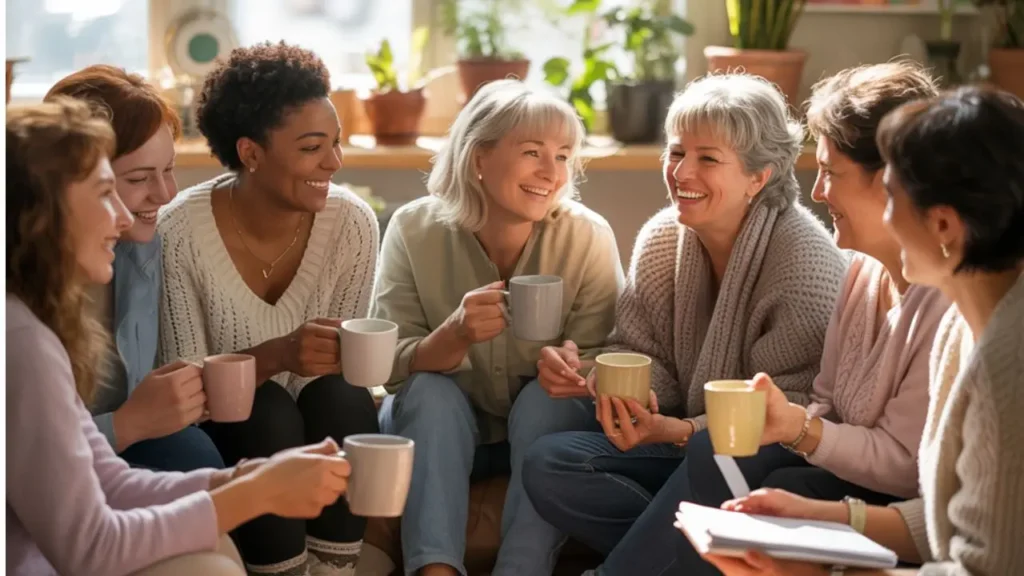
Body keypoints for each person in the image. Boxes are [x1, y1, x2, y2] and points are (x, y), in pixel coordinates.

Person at [7, 97, 353, 576]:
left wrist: (244, 479)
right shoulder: (20, 343)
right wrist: (258, 493)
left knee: (216, 552)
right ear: (47, 213)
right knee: (211, 566)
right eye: (106, 193)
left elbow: (108, 479)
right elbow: (91, 548)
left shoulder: (35, 324)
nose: (123, 218)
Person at [521, 72, 849, 576]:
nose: (682, 172)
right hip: (683, 446)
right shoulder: (660, 238)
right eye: (676, 153)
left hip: (762, 461)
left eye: (708, 158)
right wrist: (595, 375)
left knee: (710, 449)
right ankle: (698, 557)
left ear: (758, 177)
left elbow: (797, 406)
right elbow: (643, 354)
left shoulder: (804, 263)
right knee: (550, 464)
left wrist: (681, 431)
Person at [700, 86, 1024, 576]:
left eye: (892, 197)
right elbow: (949, 521)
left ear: (943, 226)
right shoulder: (965, 326)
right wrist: (825, 519)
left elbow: (982, 567)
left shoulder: (1009, 368)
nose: (888, 217)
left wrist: (826, 572)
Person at [674, 62, 951, 560]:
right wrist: (795, 424)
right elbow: (826, 398)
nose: (819, 192)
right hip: (846, 472)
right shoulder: (860, 270)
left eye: (830, 173)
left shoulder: (946, 301)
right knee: (724, 457)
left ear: (890, 181)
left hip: (899, 501)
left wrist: (801, 429)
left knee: (751, 475)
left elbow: (908, 467)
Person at [371, 79, 624, 576]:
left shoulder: (587, 236)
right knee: (429, 393)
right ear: (478, 159)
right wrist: (453, 336)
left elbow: (612, 355)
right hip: (437, 428)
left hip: (541, 434)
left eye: (563, 156)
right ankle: (435, 570)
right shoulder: (412, 229)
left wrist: (577, 369)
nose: (550, 172)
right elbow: (386, 364)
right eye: (532, 152)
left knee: (546, 399)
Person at [157, 42, 379, 576]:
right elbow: (185, 392)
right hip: (229, 429)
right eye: (311, 148)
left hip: (321, 420)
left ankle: (334, 569)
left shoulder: (352, 225)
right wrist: (277, 354)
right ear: (251, 153)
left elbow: (345, 374)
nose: (334, 162)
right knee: (266, 407)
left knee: (343, 395)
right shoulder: (179, 233)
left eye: (337, 143)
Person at [43, 64, 224, 472]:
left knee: (195, 452)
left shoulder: (140, 249)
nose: (165, 194)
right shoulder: (20, 298)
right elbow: (25, 453)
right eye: (140, 178)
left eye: (169, 170)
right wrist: (130, 423)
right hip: (55, 473)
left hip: (115, 455)